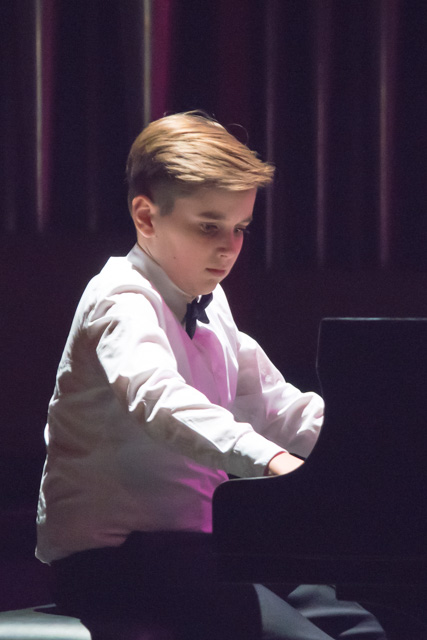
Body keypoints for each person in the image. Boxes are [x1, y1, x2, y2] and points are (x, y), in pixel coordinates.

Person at [36, 112, 387, 639]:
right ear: (146, 217)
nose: (229, 246)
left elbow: (274, 405)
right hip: (114, 560)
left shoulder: (209, 299)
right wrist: (270, 459)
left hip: (200, 552)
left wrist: (375, 446)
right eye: (208, 226)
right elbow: (159, 398)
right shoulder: (120, 296)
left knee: (364, 624)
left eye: (240, 228)